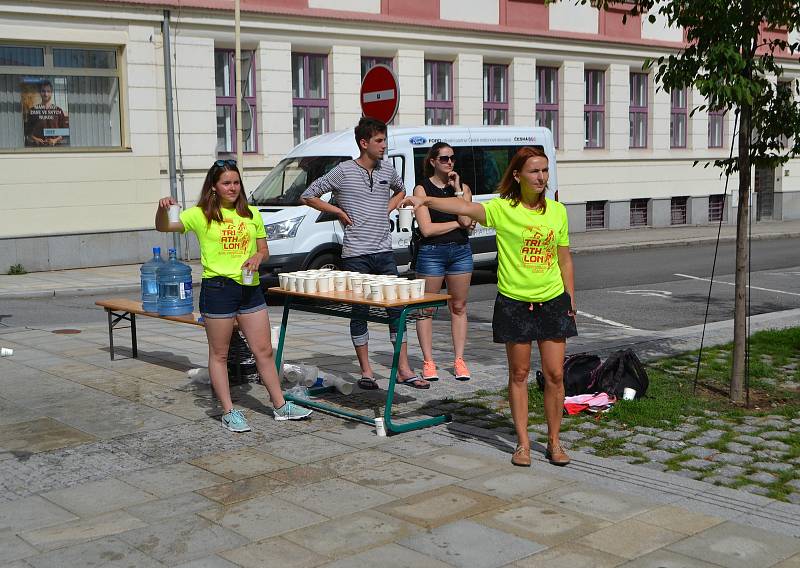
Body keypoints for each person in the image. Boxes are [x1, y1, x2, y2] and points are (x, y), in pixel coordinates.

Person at [402, 146, 576, 467]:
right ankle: (522, 443)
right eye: (535, 171)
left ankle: (554, 442)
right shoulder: (502, 208)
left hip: (551, 300)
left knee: (554, 375)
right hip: (514, 302)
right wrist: (426, 200)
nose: (541, 177)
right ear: (517, 175)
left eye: (545, 171)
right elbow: (463, 206)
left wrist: (570, 299)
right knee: (519, 373)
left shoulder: (557, 211)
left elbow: (564, 258)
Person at [156, 159, 312, 432]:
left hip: (249, 288)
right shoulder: (201, 214)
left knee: (263, 350)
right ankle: (228, 410)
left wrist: (257, 257)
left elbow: (264, 250)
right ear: (214, 187)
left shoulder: (251, 213)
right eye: (226, 183)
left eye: (236, 182)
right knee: (219, 353)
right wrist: (162, 210)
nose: (232, 188)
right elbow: (164, 227)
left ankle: (280, 405)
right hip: (218, 289)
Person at [301, 117, 429, 390]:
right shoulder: (343, 171)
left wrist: (388, 209)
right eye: (379, 141)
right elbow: (309, 194)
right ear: (364, 143)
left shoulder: (387, 170)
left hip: (384, 252)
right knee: (360, 312)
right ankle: (367, 371)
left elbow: (402, 189)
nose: (384, 146)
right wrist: (337, 211)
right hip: (355, 255)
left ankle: (404, 369)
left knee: (398, 309)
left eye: (385, 140)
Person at [412, 142, 474, 382]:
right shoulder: (422, 190)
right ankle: (429, 362)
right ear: (433, 161)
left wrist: (458, 189)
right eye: (444, 159)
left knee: (458, 307)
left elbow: (467, 219)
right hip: (431, 253)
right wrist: (459, 224)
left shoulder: (463, 188)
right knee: (426, 309)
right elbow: (427, 229)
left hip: (460, 251)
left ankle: (459, 360)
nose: (449, 163)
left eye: (452, 159)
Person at [24, 80, 69, 147]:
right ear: (40, 92)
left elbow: (64, 132)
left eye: (48, 91)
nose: (46, 94)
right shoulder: (33, 111)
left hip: (56, 148)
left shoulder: (58, 111)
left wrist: (55, 140)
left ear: (51, 93)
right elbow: (28, 133)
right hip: (37, 148)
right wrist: (36, 139)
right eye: (43, 91)